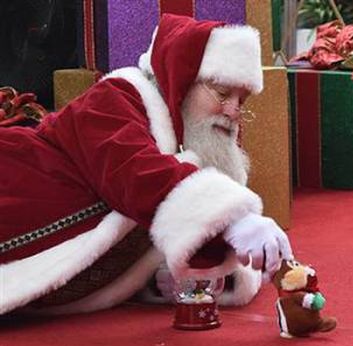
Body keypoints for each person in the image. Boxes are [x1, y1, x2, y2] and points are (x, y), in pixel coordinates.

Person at [0, 14, 292, 315]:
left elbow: (123, 239)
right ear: (181, 81)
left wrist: (205, 275)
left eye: (241, 101)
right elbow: (136, 174)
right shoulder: (112, 99)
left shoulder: (194, 151)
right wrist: (232, 219)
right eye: (221, 93)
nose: (233, 111)